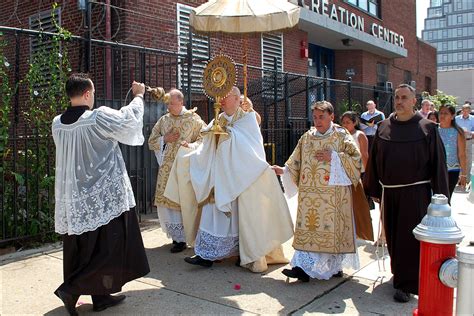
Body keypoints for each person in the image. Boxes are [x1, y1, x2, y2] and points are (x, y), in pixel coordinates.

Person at [165, 86, 294, 272]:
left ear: (236, 98)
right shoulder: (219, 118)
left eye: (225, 97)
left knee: (240, 218)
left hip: (241, 178)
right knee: (212, 210)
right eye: (220, 97)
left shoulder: (247, 118)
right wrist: (192, 147)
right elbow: (205, 141)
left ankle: (241, 252)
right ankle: (205, 254)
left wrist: (227, 135)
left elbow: (251, 146)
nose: (221, 100)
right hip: (219, 176)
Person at [52, 73, 150, 315]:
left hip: (75, 199)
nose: (94, 97)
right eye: (93, 93)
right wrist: (138, 96)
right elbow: (129, 121)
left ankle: (101, 297)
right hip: (103, 196)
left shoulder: (57, 123)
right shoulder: (97, 118)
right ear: (86, 93)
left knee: (85, 248)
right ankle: (71, 289)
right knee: (109, 248)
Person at [364, 84, 449, 303]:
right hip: (389, 193)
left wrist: (441, 196)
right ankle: (399, 273)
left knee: (409, 239)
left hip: (416, 193)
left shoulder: (427, 128)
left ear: (414, 102)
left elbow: (439, 164)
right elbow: (373, 161)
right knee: (393, 237)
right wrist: (373, 189)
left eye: (404, 98)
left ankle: (407, 284)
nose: (399, 101)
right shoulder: (383, 127)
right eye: (396, 97)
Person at [272, 101, 362, 282]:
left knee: (329, 232)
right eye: (315, 117)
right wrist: (284, 170)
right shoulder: (307, 137)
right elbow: (295, 161)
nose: (318, 121)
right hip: (309, 198)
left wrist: (335, 157)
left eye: (322, 117)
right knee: (309, 229)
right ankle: (301, 268)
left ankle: (333, 267)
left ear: (332, 117)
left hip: (333, 197)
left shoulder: (341, 135)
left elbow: (357, 160)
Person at [148, 89, 206, 253]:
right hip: (167, 168)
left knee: (183, 202)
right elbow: (151, 141)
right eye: (168, 103)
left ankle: (187, 236)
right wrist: (165, 139)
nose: (169, 106)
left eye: (172, 103)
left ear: (181, 102)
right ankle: (177, 238)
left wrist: (192, 146)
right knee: (167, 204)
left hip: (184, 167)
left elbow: (204, 138)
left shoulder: (193, 119)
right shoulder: (164, 120)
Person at [438, 104, 467, 201]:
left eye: (446, 113)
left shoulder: (457, 132)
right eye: (441, 113)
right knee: (434, 198)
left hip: (452, 170)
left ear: (452, 116)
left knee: (446, 198)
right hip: (435, 169)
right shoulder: (433, 130)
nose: (442, 115)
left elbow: (462, 154)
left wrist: (464, 174)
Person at [455, 103, 474, 188]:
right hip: (458, 141)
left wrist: (470, 132)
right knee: (458, 159)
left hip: (469, 141)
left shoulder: (473, 119)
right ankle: (459, 180)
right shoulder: (457, 119)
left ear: (470, 111)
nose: (465, 112)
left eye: (467, 111)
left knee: (468, 161)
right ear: (461, 111)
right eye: (464, 111)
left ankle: (467, 180)